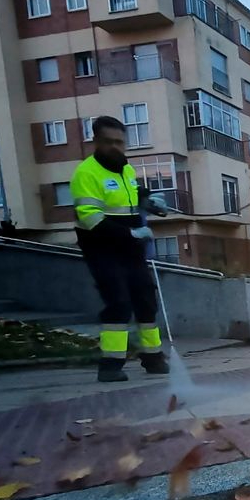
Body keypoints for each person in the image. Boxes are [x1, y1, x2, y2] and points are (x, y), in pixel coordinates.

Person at [71, 115, 169, 382]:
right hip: (103, 249)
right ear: (96, 141)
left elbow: (133, 192)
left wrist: (149, 201)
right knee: (119, 303)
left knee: (146, 300)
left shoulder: (124, 169)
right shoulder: (86, 173)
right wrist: (131, 233)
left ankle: (153, 357)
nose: (114, 147)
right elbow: (89, 218)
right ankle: (110, 366)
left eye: (119, 142)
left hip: (131, 249)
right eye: (108, 142)